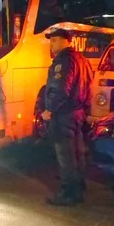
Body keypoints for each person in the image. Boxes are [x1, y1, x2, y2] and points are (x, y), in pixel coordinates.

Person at [41, 29, 93, 206]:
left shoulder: (64, 61)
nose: (51, 44)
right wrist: (85, 110)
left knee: (66, 155)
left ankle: (68, 194)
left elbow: (61, 88)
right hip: (77, 114)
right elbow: (89, 87)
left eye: (55, 40)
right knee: (78, 153)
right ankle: (79, 187)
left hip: (63, 115)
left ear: (66, 41)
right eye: (51, 40)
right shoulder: (82, 59)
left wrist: (49, 110)